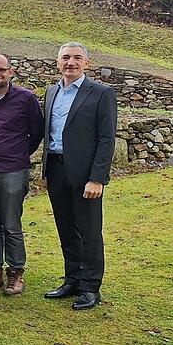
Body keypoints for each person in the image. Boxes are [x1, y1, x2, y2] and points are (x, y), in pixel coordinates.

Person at [42, 43, 116, 310]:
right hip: (56, 169)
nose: (70, 62)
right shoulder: (51, 92)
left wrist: (98, 178)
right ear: (57, 62)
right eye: (65, 58)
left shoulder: (101, 93)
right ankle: (72, 278)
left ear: (87, 62)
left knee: (89, 231)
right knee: (65, 228)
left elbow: (107, 139)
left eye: (76, 58)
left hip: (86, 174)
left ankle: (90, 287)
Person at [0, 54, 44, 296]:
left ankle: (16, 272)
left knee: (11, 224)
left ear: (11, 72)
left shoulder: (26, 99)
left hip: (13, 170)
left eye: (1, 70)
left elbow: (36, 132)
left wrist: (19, 154)